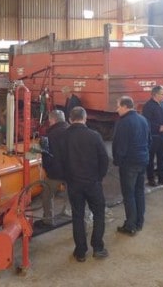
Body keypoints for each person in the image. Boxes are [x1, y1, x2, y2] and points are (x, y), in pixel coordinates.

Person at [61, 106, 110, 262]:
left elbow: (60, 161)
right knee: (99, 214)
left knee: (78, 216)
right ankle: (98, 248)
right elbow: (104, 159)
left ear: (70, 119)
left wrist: (66, 178)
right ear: (85, 118)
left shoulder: (63, 137)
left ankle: (80, 252)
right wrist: (99, 177)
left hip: (74, 184)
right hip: (92, 182)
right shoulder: (94, 136)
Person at [112, 96, 151, 236]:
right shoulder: (143, 119)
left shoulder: (123, 122)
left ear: (125, 106)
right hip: (143, 161)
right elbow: (149, 140)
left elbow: (119, 146)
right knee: (139, 192)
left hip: (129, 164)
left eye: (118, 106)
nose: (116, 110)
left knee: (129, 195)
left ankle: (130, 225)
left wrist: (118, 161)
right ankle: (139, 222)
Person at [39, 109, 69, 226]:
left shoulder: (47, 135)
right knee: (73, 195)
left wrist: (47, 169)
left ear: (53, 120)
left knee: (47, 195)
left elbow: (45, 155)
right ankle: (70, 214)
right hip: (72, 172)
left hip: (54, 173)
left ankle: (48, 219)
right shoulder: (72, 131)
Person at [142, 85, 163, 187]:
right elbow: (146, 122)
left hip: (162, 136)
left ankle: (162, 178)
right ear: (155, 94)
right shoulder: (148, 106)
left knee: (162, 158)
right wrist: (158, 127)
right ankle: (151, 179)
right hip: (153, 137)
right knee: (150, 159)